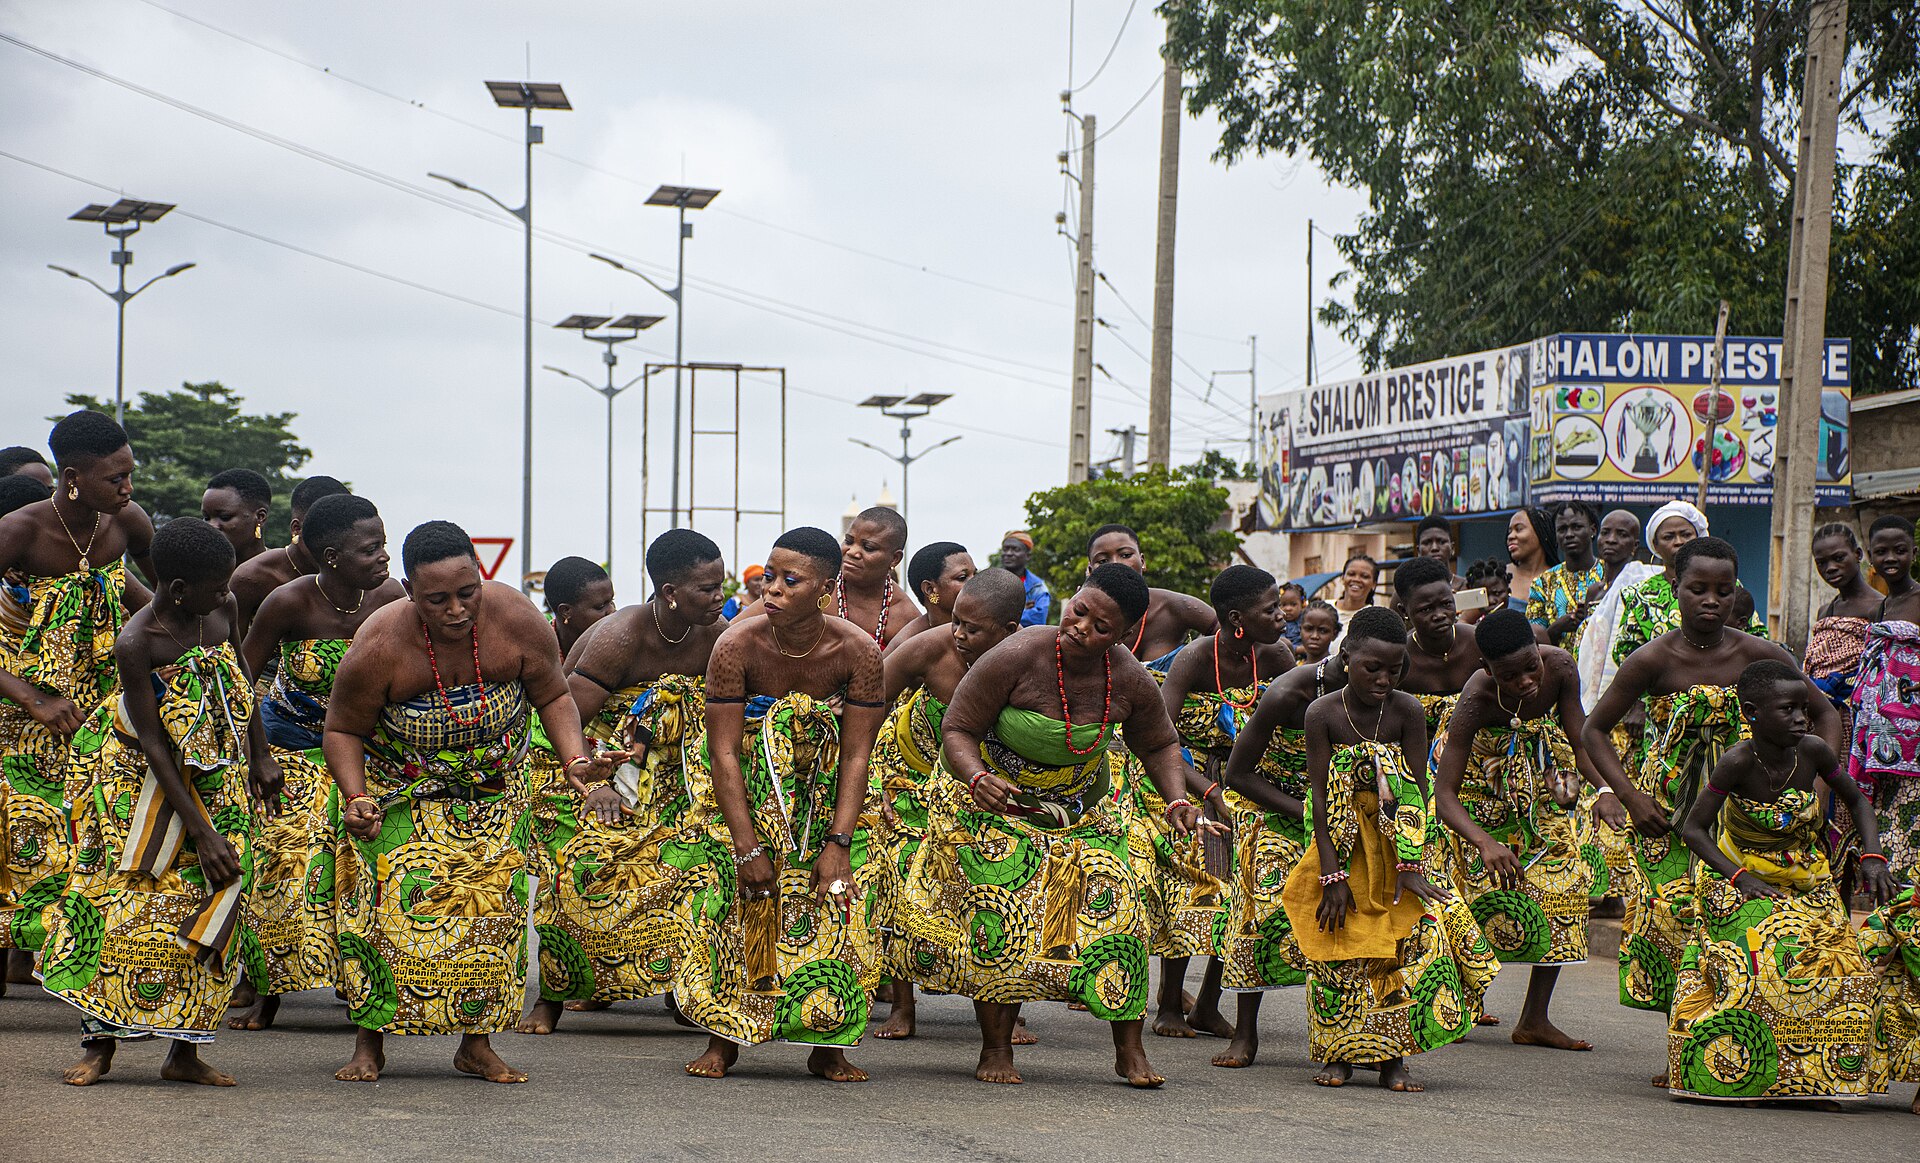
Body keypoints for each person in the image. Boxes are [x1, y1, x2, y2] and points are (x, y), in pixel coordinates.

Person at [897, 564, 1214, 1087]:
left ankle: (1128, 1050)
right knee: (1001, 907)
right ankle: (996, 1049)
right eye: (1080, 609)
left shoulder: (1129, 676)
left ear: (1125, 634)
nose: (1082, 626)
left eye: (1101, 626)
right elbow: (958, 727)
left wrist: (1178, 800)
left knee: (1123, 913)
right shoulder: (1019, 654)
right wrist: (978, 779)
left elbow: (1158, 744)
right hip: (995, 800)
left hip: (1082, 807)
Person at [323, 520, 613, 1084]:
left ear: (482, 577)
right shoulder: (380, 644)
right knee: (388, 920)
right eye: (437, 599)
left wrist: (576, 762)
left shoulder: (520, 622)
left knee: (492, 921)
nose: (457, 609)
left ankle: (475, 1044)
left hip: (494, 791)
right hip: (400, 793)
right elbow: (342, 729)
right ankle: (369, 1041)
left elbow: (552, 694)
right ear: (410, 593)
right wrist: (355, 797)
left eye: (467, 592)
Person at [47, 517, 275, 1087]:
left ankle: (185, 1052)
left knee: (213, 896)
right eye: (218, 585)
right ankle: (99, 1045)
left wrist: (260, 754)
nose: (228, 594)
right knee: (126, 907)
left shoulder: (221, 612)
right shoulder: (137, 642)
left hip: (213, 769)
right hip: (137, 784)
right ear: (177, 589)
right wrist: (198, 831)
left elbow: (242, 682)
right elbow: (152, 744)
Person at [1583, 537, 1842, 1020]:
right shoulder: (1652, 659)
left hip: (1750, 814)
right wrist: (1629, 795)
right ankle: (1682, 1043)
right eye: (1697, 588)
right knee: (1674, 923)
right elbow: (1594, 730)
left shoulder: (1760, 654)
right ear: (1675, 587)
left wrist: (1816, 789)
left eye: (1723, 591)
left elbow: (1825, 715)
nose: (1711, 600)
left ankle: (1745, 1035)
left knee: (1745, 924)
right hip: (1669, 813)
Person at [674, 526, 885, 1082]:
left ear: (826, 588)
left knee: (838, 901)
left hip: (824, 791)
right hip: (743, 788)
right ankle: (724, 1038)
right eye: (769, 576)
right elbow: (721, 752)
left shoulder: (858, 652)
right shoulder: (735, 646)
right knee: (735, 900)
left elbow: (858, 757)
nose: (773, 588)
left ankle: (829, 1042)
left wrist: (839, 842)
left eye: (791, 579)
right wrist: (745, 847)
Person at [520, 529, 729, 1035]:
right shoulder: (620, 637)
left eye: (720, 586)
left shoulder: (720, 634)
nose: (719, 598)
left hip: (679, 777)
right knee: (579, 868)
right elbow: (562, 723)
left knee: (701, 869)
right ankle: (552, 997)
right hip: (593, 768)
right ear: (670, 592)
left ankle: (689, 992)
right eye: (707, 589)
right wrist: (597, 785)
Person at [1280, 606, 1497, 1092]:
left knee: (1400, 948)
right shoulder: (1323, 713)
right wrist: (1331, 876)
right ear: (1346, 657)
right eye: (1371, 667)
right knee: (1339, 950)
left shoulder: (1407, 711)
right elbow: (1317, 796)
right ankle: (1337, 1054)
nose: (1383, 678)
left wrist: (1411, 863)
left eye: (1394, 669)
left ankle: (1393, 1059)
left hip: (1401, 847)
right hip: (1340, 846)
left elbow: (1419, 790)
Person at [1665, 658, 1894, 1106]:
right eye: (1788, 710)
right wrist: (1741, 877)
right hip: (1736, 875)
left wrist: (1872, 856)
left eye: (1804, 709)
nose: (1801, 719)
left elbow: (1857, 800)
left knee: (1840, 964)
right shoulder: (1736, 761)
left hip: (1805, 875)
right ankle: (1740, 1071)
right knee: (1759, 959)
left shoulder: (1813, 752)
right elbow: (1693, 829)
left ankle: (1818, 1076)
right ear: (1751, 713)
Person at [229, 494, 405, 1031]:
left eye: (383, 543)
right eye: (369, 549)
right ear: (331, 557)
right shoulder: (289, 602)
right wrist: (258, 756)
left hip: (364, 752)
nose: (384, 557)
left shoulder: (393, 599)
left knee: (362, 872)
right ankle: (267, 993)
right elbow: (241, 680)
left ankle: (362, 987)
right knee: (283, 870)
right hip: (291, 748)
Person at [0, 410, 153, 985]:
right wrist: (31, 699)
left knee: (93, 839)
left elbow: (162, 600)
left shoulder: (127, 523)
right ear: (72, 477)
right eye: (115, 477)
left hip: (101, 713)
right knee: (25, 841)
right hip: (24, 716)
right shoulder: (20, 530)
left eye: (130, 473)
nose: (127, 487)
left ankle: (81, 970)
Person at [1433, 609, 1625, 1053]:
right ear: (1486, 670)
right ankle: (1462, 1003)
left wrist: (1604, 790)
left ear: (1540, 652)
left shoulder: (1559, 667)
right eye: (1508, 675)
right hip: (1479, 798)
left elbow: (1581, 741)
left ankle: (1535, 1018)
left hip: (1540, 787)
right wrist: (1484, 842)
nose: (1524, 682)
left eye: (1529, 667)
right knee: (1474, 899)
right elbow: (1444, 794)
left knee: (1563, 887)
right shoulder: (1476, 698)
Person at [866, 567, 1026, 1041]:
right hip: (909, 781)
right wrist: (873, 788)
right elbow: (867, 706)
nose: (958, 634)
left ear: (1008, 632)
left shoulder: (1028, 657)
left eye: (972, 629)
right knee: (900, 884)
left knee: (999, 890)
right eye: (955, 621)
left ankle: (1001, 1008)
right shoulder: (928, 647)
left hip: (989, 784)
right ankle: (903, 1004)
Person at [1156, 565, 1295, 1061]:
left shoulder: (1277, 656)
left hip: (1250, 781)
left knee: (1241, 895)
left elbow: (1292, 725)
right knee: (1199, 888)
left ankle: (1209, 1004)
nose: (1282, 616)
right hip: (1190, 779)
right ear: (1237, 619)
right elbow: (1162, 739)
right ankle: (1170, 1003)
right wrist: (1207, 789)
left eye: (1280, 607)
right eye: (1270, 610)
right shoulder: (1194, 659)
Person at [1606, 501, 1765, 676]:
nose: (1679, 542)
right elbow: (1626, 651)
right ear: (1655, 545)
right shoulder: (1640, 595)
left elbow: (1755, 634)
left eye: (1686, 534)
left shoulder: (1729, 586)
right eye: (1669, 537)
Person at [1805, 523, 1876, 903]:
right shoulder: (1825, 609)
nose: (1830, 566)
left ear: (1858, 555)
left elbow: (1878, 671)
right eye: (1822, 562)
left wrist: (1838, 689)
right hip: (1817, 724)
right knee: (1819, 822)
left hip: (1854, 726)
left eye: (1838, 557)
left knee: (1846, 817)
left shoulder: (1878, 607)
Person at [230, 476, 351, 631]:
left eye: (345, 532)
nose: (336, 542)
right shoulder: (252, 578)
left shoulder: (355, 576)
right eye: (324, 531)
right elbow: (233, 651)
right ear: (297, 528)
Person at [1086, 524, 1218, 662]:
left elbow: (1233, 635)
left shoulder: (1175, 606)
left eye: (1125, 555)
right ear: (1090, 571)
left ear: (1142, 561)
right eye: (1103, 561)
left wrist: (1196, 656)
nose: (1116, 564)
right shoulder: (1081, 619)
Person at [1393, 555, 1485, 743]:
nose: (1439, 615)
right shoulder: (1398, 659)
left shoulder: (1479, 642)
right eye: (1426, 609)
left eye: (1446, 604)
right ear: (1404, 611)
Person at [1527, 501, 1603, 652]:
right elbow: (1532, 642)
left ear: (1592, 530)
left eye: (1576, 527)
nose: (1569, 535)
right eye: (1562, 529)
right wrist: (1556, 628)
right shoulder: (1542, 583)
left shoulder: (1611, 574)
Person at [885, 541, 975, 653]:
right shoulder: (908, 646)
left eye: (975, 574)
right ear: (930, 590)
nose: (975, 582)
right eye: (962, 577)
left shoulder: (988, 626)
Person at [201, 468, 273, 570]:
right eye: (206, 518)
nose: (211, 526)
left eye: (225, 517)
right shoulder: (196, 573)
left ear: (260, 517)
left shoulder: (286, 573)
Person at [1505, 508, 1560, 615]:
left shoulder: (1560, 579)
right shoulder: (1499, 576)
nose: (1511, 536)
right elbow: (1464, 621)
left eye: (1519, 529)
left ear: (1541, 533)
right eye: (1509, 531)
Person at [1869, 514, 1919, 623]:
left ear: (1914, 554)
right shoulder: (1880, 609)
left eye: (1900, 551)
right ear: (1870, 556)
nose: (1890, 558)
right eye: (1881, 552)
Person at [1000, 530, 1051, 627]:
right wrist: (1023, 611)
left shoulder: (1037, 586)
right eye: (1005, 549)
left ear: (1028, 556)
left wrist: (1005, 613)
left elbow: (1038, 618)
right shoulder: (991, 581)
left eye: (1015, 549)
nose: (1009, 553)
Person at [1414, 514, 1467, 590]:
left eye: (1442, 542)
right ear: (1418, 551)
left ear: (1452, 548)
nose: (1434, 548)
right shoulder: (1407, 592)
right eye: (1427, 543)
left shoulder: (1467, 586)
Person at [1330, 553, 1378, 628]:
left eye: (1364, 576)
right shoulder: (1323, 608)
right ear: (1342, 578)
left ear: (1373, 584)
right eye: (1351, 574)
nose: (1356, 579)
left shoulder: (1374, 619)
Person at [1297, 599, 1339, 665]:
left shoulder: (1339, 671)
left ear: (1334, 634)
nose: (1315, 636)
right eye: (1309, 629)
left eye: (1323, 631)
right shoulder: (1294, 667)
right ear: (1300, 630)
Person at [1277, 581, 1306, 647]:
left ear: (1302, 604)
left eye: (1293, 604)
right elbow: (1280, 644)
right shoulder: (1278, 623)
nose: (1288, 608)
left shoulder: (1306, 621)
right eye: (1283, 605)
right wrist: (1298, 650)